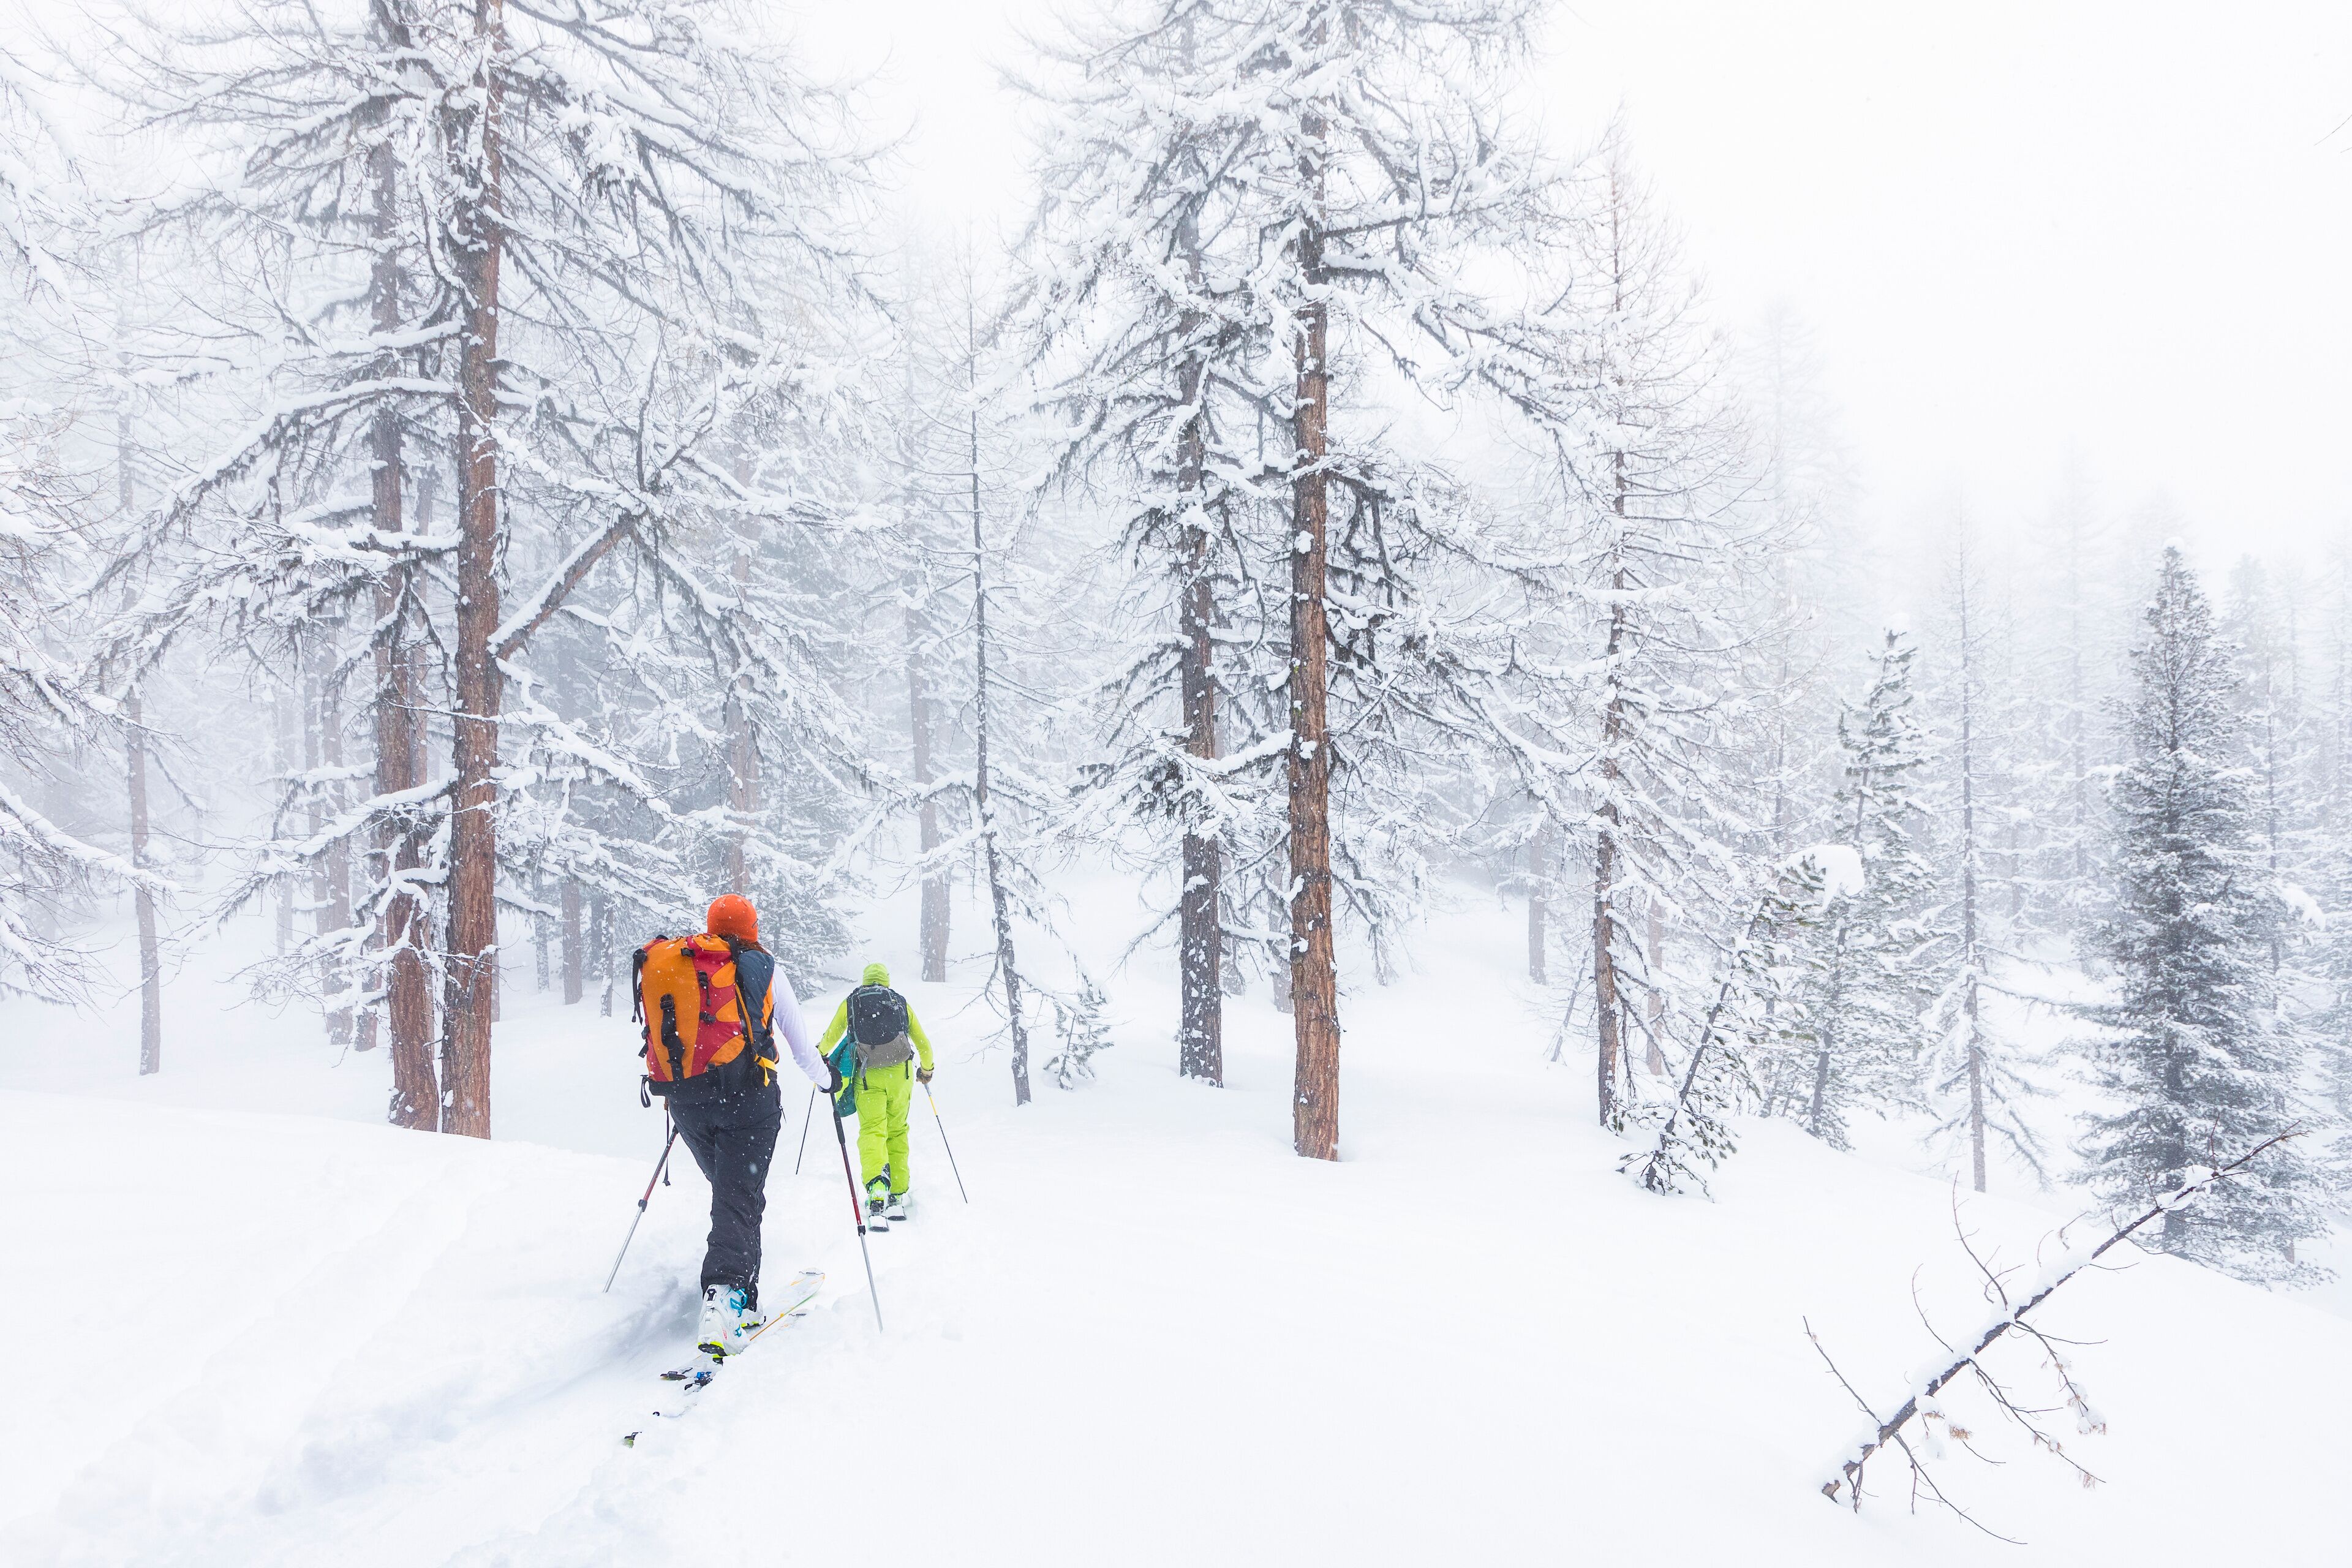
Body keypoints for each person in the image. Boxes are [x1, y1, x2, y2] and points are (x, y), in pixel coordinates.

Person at [654, 894, 837, 1359]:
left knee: (735, 1194)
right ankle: (724, 1297)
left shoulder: (686, 964)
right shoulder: (764, 967)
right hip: (748, 1103)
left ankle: (745, 1296)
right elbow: (799, 1046)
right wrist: (827, 1080)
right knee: (738, 1198)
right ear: (752, 928)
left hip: (688, 1101)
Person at [816, 962, 935, 1228]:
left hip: (869, 1078)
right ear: (886, 981)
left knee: (872, 1131)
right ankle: (898, 1193)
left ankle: (878, 1189)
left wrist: (819, 1054)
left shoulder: (853, 1001)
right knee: (897, 1131)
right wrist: (926, 1071)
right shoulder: (899, 1002)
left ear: (866, 980)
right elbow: (924, 1045)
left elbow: (831, 1037)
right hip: (901, 1077)